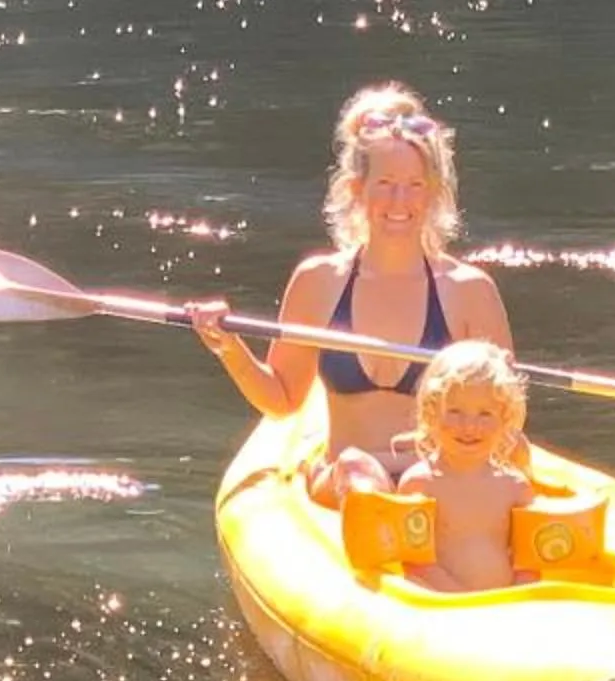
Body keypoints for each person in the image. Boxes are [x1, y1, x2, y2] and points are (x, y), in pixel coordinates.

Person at [191, 84, 514, 502]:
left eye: (415, 184)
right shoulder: (318, 281)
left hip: (435, 480)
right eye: (385, 182)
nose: (400, 200)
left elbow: (506, 421)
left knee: (419, 482)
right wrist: (228, 347)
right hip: (346, 479)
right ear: (357, 189)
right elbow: (283, 400)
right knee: (360, 473)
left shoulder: (471, 292)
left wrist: (411, 466)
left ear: (434, 191)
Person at [394, 341, 535, 593]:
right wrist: (462, 602)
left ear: (505, 419)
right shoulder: (419, 484)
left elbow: (529, 564)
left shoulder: (515, 487)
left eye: (485, 414)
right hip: (444, 607)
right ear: (430, 413)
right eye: (455, 411)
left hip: (504, 607)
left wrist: (518, 600)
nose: (469, 426)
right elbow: (416, 563)